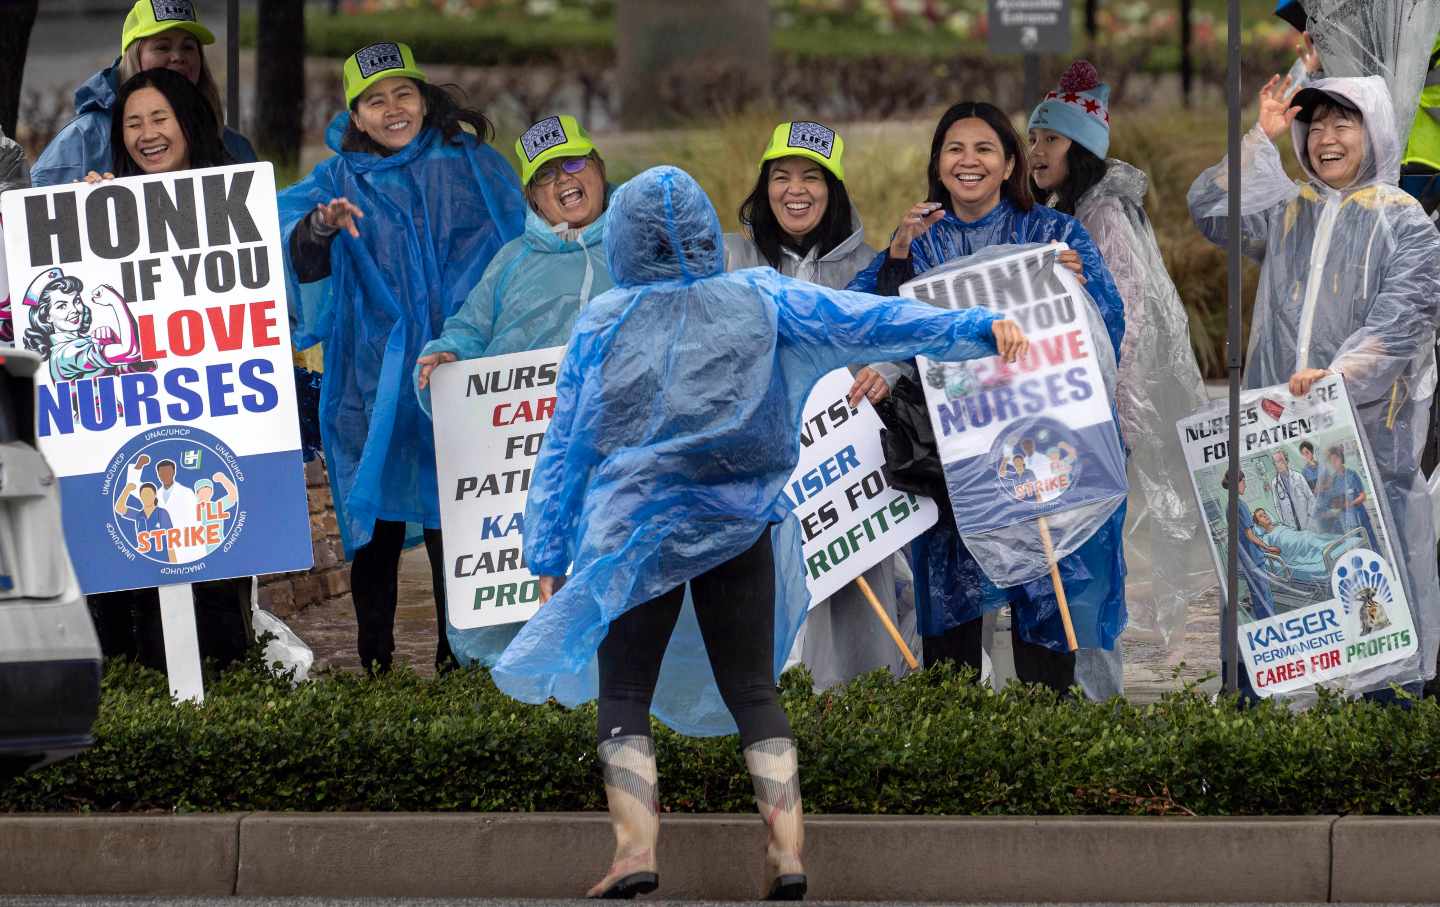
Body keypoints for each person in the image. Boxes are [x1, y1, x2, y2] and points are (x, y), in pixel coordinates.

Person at [491, 165, 1028, 899]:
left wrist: (548, 549)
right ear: (708, 234)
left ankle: (633, 850)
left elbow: (565, 448)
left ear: (624, 237)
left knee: (622, 690)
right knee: (753, 688)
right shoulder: (763, 299)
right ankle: (787, 851)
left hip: (631, 537)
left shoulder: (604, 321)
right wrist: (973, 328)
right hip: (737, 528)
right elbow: (871, 320)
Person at [848, 100, 1128, 696]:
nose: (968, 161)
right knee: (950, 631)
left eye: (984, 150)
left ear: (1009, 165)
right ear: (937, 163)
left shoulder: (1052, 234)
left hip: (1042, 455)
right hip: (952, 465)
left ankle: (1046, 748)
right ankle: (962, 762)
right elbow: (866, 318)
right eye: (954, 149)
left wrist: (1078, 294)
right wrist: (896, 255)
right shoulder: (916, 241)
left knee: (1046, 620)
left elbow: (1109, 329)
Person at [1189, 73, 1440, 696]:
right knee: (1285, 592)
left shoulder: (1405, 223)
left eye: (1343, 123)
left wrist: (1336, 380)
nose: (1326, 138)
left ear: (1374, 131)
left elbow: (1400, 323)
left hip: (1368, 438)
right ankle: (1275, 716)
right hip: (1281, 428)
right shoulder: (1290, 208)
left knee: (1372, 575)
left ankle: (1384, 711)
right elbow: (1214, 211)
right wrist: (1258, 138)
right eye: (1315, 124)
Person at [280, 42, 525, 675]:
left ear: (424, 98)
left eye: (403, 93)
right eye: (374, 100)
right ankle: (376, 662)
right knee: (376, 522)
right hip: (372, 384)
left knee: (459, 514)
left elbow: (523, 249)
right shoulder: (336, 181)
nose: (392, 109)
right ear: (355, 116)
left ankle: (459, 656)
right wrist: (319, 229)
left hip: (458, 374)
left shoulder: (473, 166)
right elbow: (287, 243)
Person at [1028, 61, 1210, 700]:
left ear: (1079, 147)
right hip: (1069, 418)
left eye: (1050, 139)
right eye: (1033, 139)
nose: (1036, 151)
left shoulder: (1103, 217)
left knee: (1089, 569)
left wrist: (1115, 418)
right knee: (1067, 564)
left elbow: (1132, 322)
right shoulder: (1066, 209)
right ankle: (1072, 691)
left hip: (1095, 422)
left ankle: (1093, 697)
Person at [412, 114, 614, 667]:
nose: (563, 181)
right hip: (526, 465)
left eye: (573, 164)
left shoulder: (636, 248)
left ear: (598, 169)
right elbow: (467, 331)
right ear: (532, 198)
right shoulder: (511, 264)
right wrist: (446, 360)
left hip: (618, 461)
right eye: (546, 176)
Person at [725, 120, 918, 691]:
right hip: (758, 473)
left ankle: (857, 707)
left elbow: (901, 341)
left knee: (854, 604)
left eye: (812, 177)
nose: (796, 190)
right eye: (781, 177)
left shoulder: (867, 266)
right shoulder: (733, 261)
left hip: (844, 474)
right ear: (764, 189)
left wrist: (883, 373)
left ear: (834, 190)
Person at [79, 68, 252, 673]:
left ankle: (225, 675)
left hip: (213, 428)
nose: (146, 134)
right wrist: (87, 212)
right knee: (133, 591)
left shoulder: (234, 205)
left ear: (187, 123)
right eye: (132, 124)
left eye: (159, 119)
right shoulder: (98, 205)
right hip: (125, 428)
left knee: (212, 585)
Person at [31, 0, 255, 188]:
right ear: (133, 56)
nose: (178, 57)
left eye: (188, 47)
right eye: (162, 47)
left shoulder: (233, 146)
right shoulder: (82, 139)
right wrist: (81, 204)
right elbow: (35, 220)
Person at [1270, 448, 1316, 532]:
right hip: (1291, 526)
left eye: (1281, 460)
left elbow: (1310, 497)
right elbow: (1277, 506)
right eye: (1276, 462)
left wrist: (1310, 516)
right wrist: (1284, 522)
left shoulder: (1298, 477)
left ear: (1286, 461)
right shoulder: (1274, 483)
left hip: (1306, 522)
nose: (1279, 464)